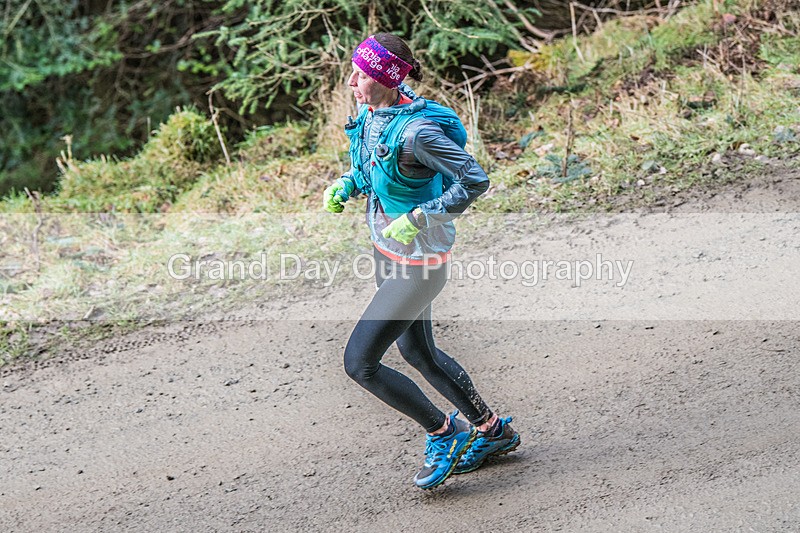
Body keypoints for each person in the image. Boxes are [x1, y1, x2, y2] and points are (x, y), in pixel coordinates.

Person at [323, 33, 520, 490]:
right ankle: (493, 432)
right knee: (418, 352)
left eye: (362, 75)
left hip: (420, 262)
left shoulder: (419, 133)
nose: (352, 82)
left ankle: (443, 432)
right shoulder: (374, 113)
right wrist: (349, 184)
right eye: (353, 71)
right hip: (386, 250)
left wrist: (419, 217)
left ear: (389, 80)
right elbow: (374, 164)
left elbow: (475, 179)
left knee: (360, 363)